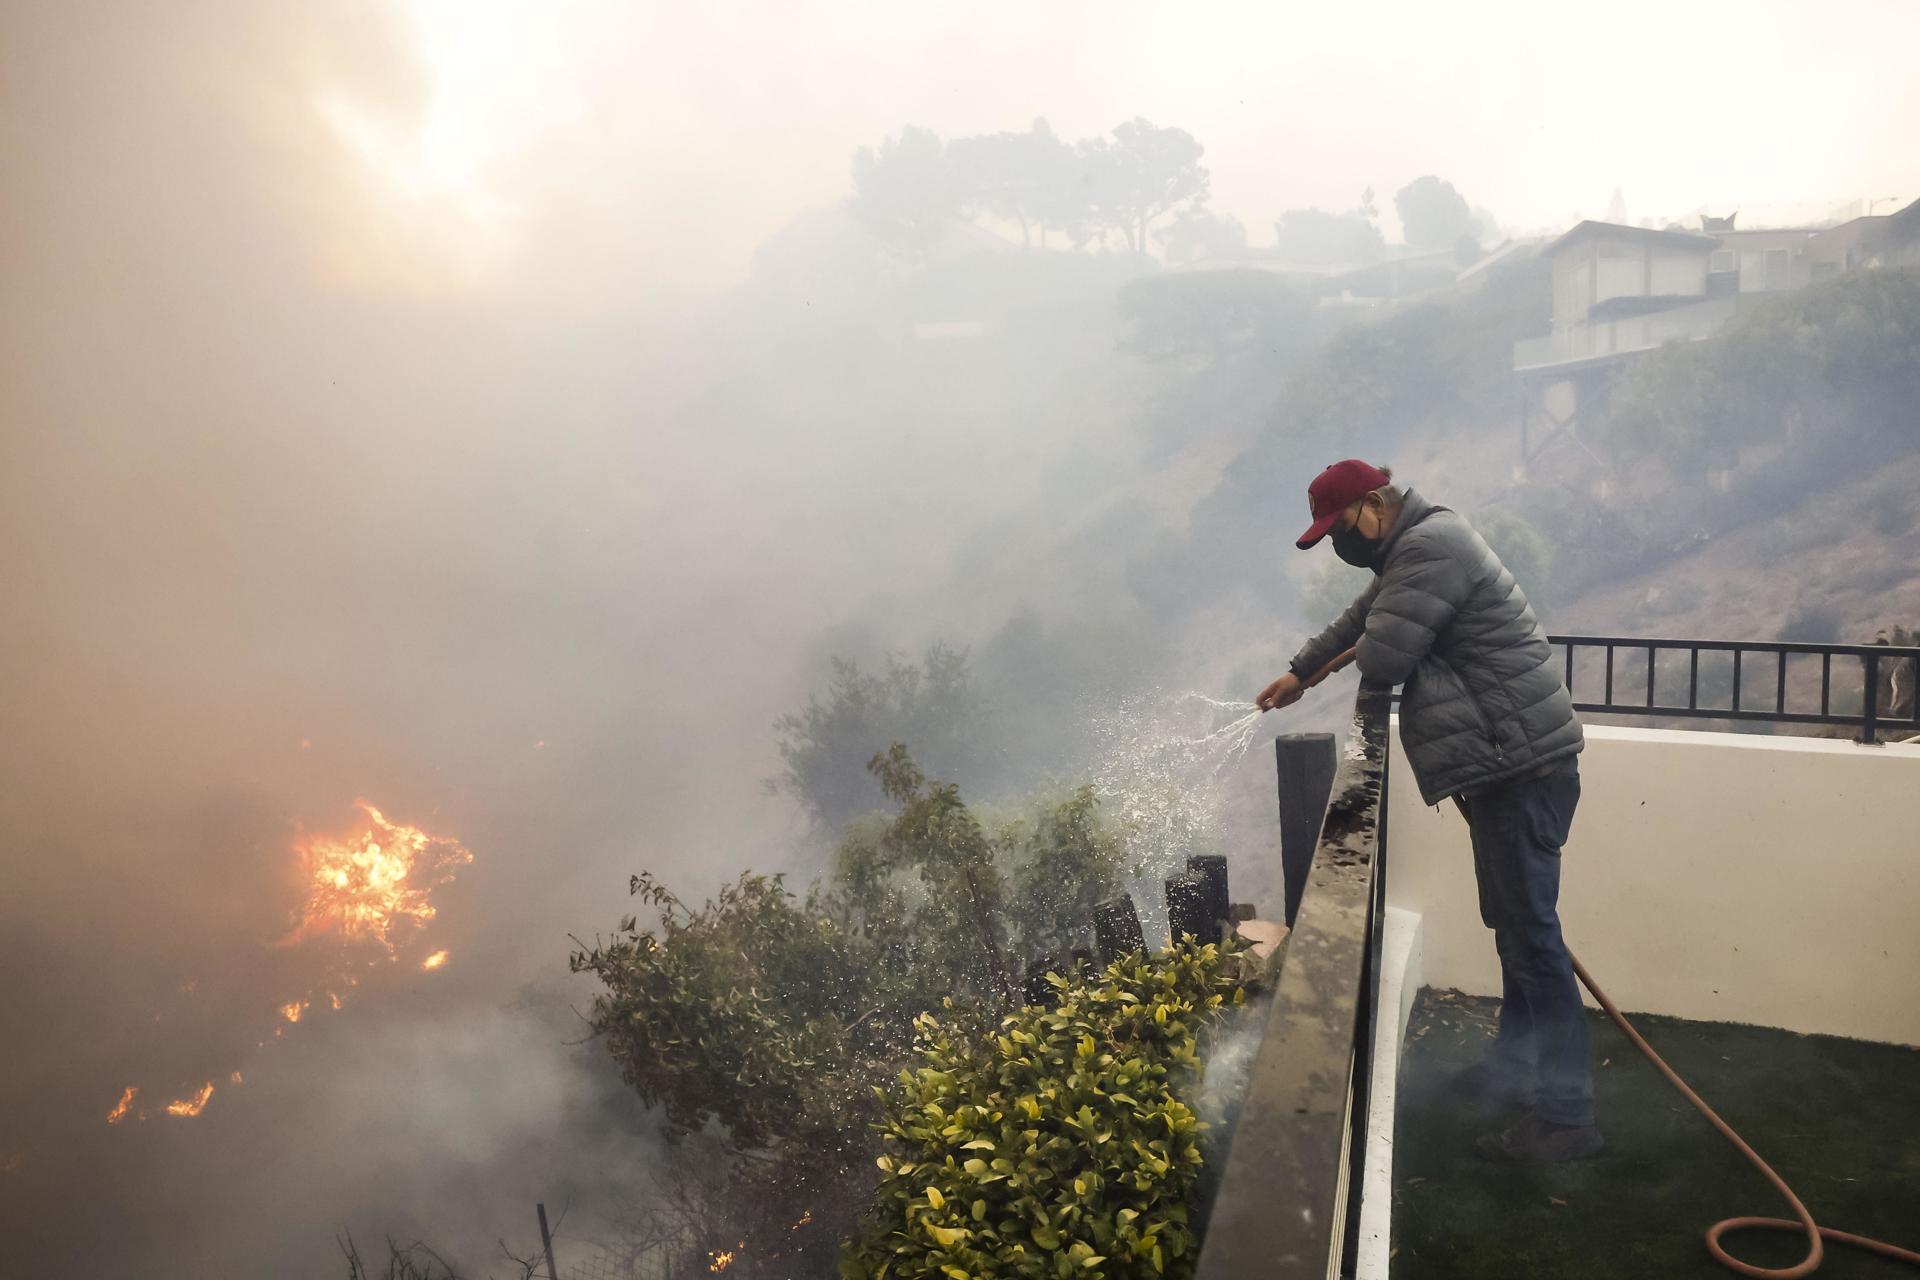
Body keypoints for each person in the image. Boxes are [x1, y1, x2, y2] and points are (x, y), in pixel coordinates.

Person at [1256, 459, 1601, 1163]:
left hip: (1522, 766)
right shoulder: (1411, 548)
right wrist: (1301, 668)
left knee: (1534, 942)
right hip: (1510, 765)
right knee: (1518, 935)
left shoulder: (1429, 546)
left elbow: (1383, 653)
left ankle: (1568, 1119)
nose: (1340, 547)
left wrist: (1342, 659)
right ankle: (1512, 1076)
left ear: (1376, 504)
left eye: (1341, 529)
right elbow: (1364, 620)